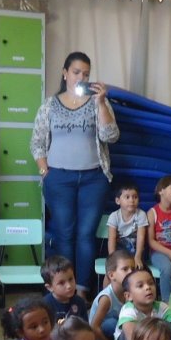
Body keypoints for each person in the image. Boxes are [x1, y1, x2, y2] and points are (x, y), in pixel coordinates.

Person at [31, 51, 119, 296]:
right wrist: (45, 171)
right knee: (64, 234)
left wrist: (101, 103)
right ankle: (63, 288)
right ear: (65, 73)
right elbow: (37, 142)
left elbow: (111, 136)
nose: (81, 77)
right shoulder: (49, 105)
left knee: (86, 235)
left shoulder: (97, 103)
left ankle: (81, 290)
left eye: (86, 74)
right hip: (59, 179)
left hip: (93, 179)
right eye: (76, 72)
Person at [109, 267, 171, 340]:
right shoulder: (128, 310)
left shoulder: (161, 306)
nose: (148, 287)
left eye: (151, 283)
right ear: (128, 296)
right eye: (140, 286)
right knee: (130, 335)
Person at [89, 249, 134, 340]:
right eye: (125, 269)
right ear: (111, 275)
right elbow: (94, 327)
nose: (131, 272)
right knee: (113, 323)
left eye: (133, 268)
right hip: (98, 339)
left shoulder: (129, 292)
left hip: (116, 334)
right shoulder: (106, 298)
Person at [107, 182, 148, 269]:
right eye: (127, 197)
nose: (132, 200)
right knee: (117, 268)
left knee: (137, 267)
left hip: (136, 251)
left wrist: (138, 257)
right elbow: (111, 239)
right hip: (119, 251)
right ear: (118, 201)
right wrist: (112, 258)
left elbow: (141, 237)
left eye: (135, 197)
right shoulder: (114, 216)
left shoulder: (141, 215)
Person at [41, 255, 89, 321]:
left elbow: (85, 325)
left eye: (70, 279)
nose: (69, 286)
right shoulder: (44, 305)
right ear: (50, 287)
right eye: (61, 283)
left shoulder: (80, 302)